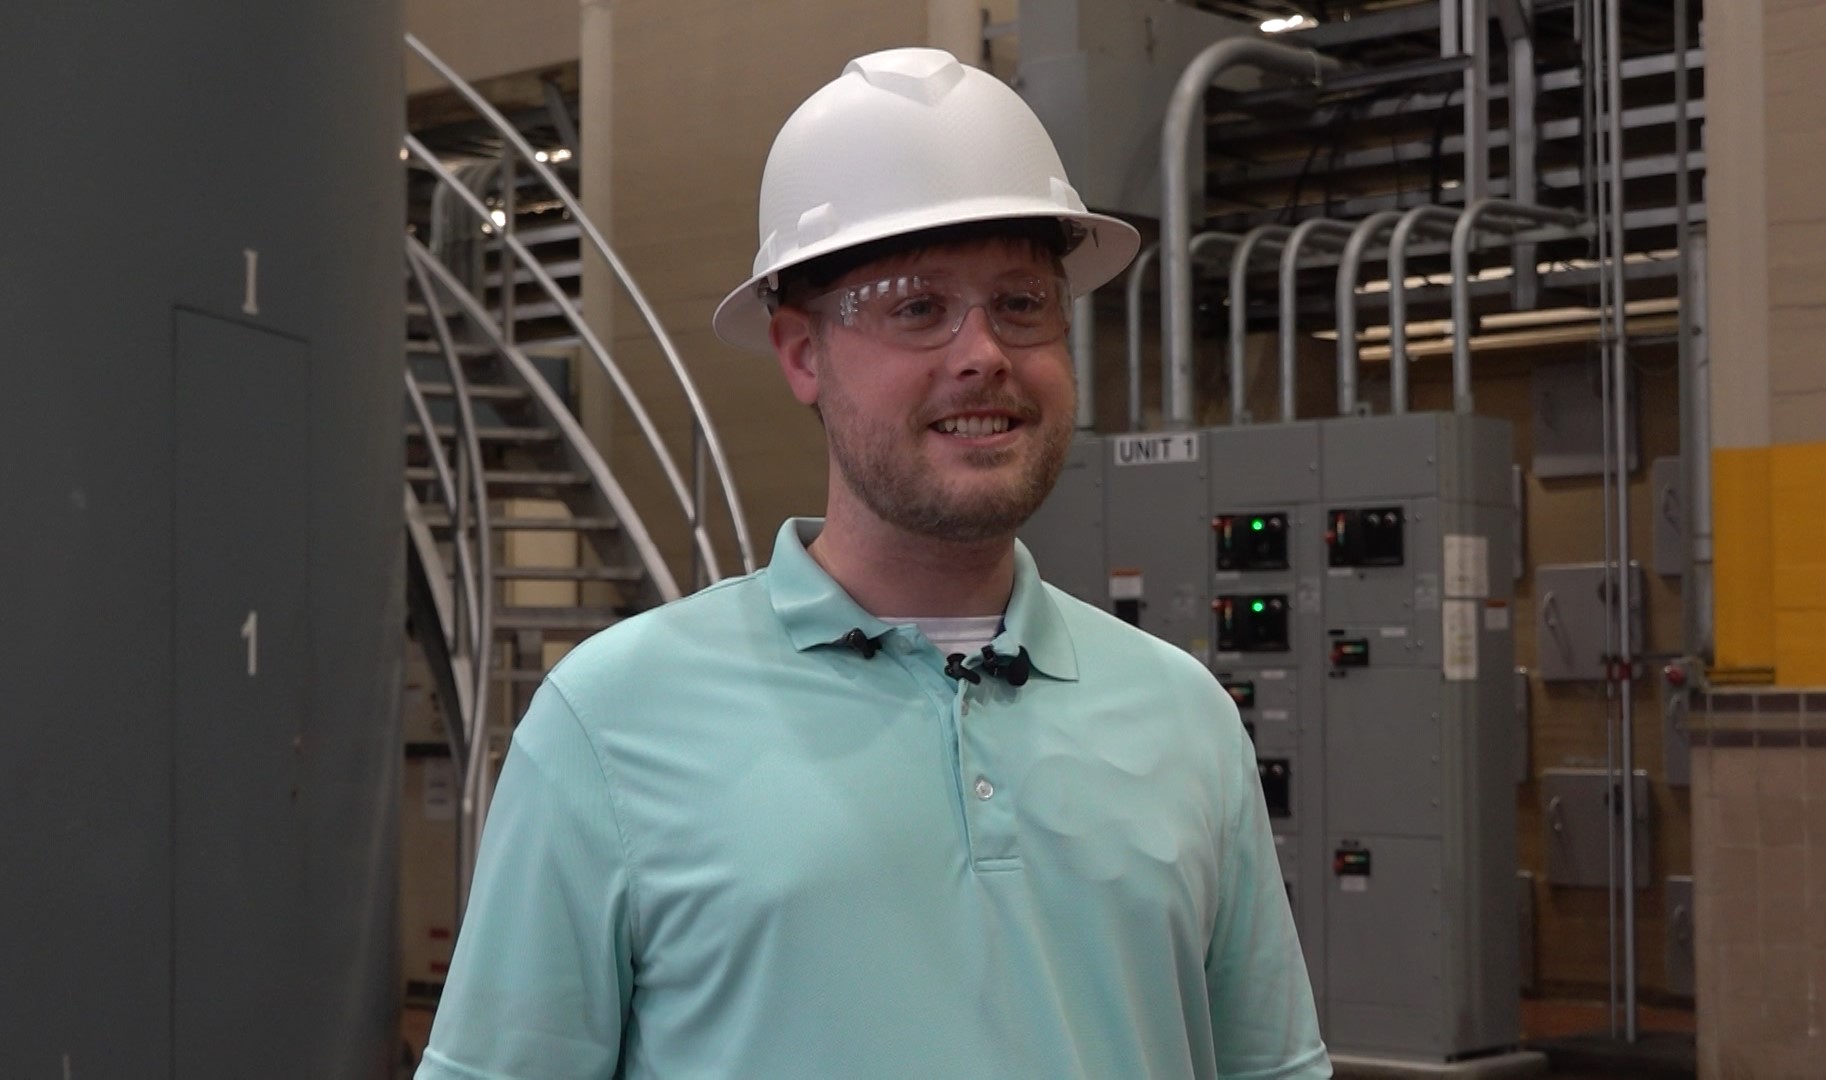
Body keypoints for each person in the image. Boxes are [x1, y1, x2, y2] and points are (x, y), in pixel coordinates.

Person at [417, 47, 1330, 1080]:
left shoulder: (1183, 717)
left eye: (1022, 305)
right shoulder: (611, 726)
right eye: (915, 306)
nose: (983, 351)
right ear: (801, 354)